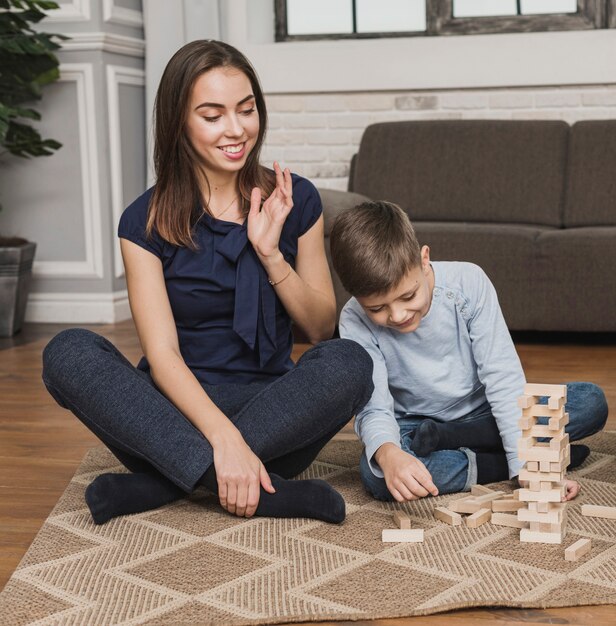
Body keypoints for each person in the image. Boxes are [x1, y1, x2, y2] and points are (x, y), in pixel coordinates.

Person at [41, 40, 373, 525]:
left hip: (273, 412)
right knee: (67, 352)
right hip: (171, 412)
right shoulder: (144, 222)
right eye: (212, 115)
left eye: (246, 110)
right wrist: (224, 440)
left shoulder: (295, 198)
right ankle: (259, 490)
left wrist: (268, 252)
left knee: (351, 361)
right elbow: (164, 357)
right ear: (179, 122)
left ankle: (165, 481)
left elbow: (321, 328)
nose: (236, 129)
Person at [329, 200, 608, 503]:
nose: (397, 315)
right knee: (377, 474)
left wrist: (525, 462)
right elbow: (374, 406)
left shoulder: (469, 283)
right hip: (413, 424)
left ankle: (468, 440)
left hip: (483, 409)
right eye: (377, 308)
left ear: (424, 260)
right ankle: (496, 463)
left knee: (590, 402)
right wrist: (389, 453)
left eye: (408, 295)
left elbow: (502, 377)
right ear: (356, 298)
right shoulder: (354, 319)